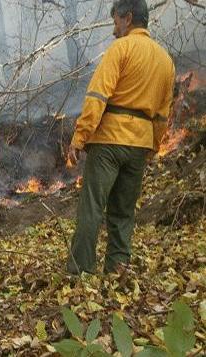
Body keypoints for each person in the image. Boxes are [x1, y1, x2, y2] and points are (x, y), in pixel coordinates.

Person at [66, 0, 175, 275]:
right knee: (124, 212)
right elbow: (162, 114)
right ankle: (118, 269)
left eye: (116, 20)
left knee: (92, 206)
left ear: (128, 18)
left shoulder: (120, 49)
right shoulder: (166, 60)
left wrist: (80, 138)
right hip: (139, 143)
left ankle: (80, 272)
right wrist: (153, 146)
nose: (114, 27)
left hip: (108, 142)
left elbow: (97, 97)